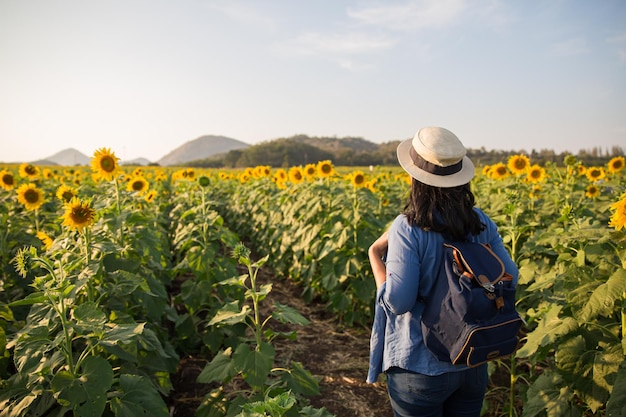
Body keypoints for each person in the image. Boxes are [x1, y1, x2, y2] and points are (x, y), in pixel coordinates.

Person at [366, 126, 518, 417]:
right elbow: (511, 277)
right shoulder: (482, 223)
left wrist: (375, 256)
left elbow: (399, 302)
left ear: (415, 178)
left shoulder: (408, 228)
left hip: (420, 367)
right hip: (472, 358)